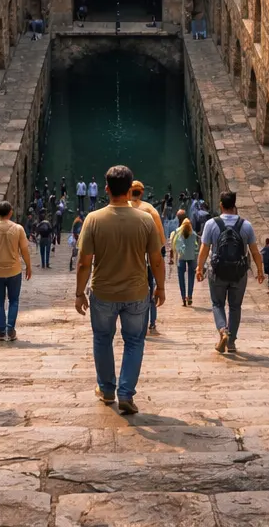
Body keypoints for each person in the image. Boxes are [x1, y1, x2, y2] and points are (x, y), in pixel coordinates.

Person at [75, 165, 165, 415]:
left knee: (103, 339)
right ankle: (126, 393)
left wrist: (79, 292)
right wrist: (161, 287)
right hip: (137, 292)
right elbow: (156, 259)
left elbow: (84, 261)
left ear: (106, 189)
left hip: (103, 292)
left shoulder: (93, 219)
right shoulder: (145, 219)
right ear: (130, 190)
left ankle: (106, 390)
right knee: (135, 341)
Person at [196, 191, 264, 354]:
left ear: (221, 204)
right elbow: (254, 251)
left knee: (217, 304)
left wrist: (199, 268)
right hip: (239, 273)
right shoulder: (246, 225)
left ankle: (222, 330)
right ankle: (231, 342)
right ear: (235, 205)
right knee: (235, 307)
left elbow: (204, 249)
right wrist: (260, 270)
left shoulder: (211, 224)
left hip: (217, 272)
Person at [0, 201, 32, 341]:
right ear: (10, 212)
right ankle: (10, 328)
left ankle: (1, 331)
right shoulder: (18, 229)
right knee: (14, 300)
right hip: (14, 270)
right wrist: (28, 266)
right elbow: (24, 250)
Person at [128, 181, 165, 337]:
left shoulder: (123, 208)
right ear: (141, 193)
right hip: (147, 261)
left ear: (129, 191)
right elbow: (160, 241)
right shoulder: (150, 210)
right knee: (150, 292)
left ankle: (132, 324)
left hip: (127, 261)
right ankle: (151, 323)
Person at [170, 212, 200, 306]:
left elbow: (172, 245)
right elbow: (197, 247)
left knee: (181, 279)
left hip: (181, 258)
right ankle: (190, 296)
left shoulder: (176, 232)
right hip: (192, 258)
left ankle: (183, 298)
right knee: (191, 277)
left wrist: (171, 257)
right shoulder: (193, 233)